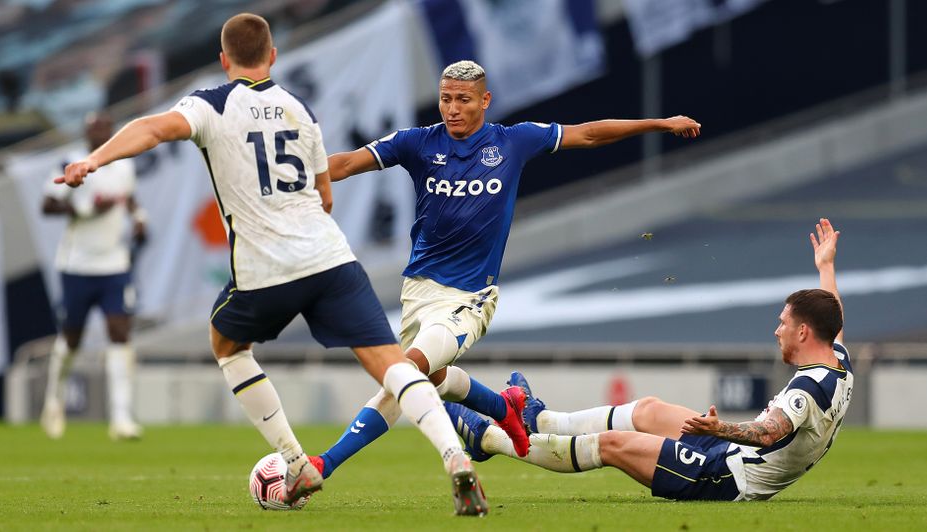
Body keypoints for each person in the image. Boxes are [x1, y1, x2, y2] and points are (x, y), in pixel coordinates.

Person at [55, 13, 487, 516]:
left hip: (267, 269)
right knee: (392, 366)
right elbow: (324, 196)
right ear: (273, 56)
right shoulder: (298, 108)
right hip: (331, 258)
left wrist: (95, 160)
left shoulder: (210, 104)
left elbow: (152, 129)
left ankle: (295, 460)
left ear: (223, 59)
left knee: (227, 343)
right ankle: (455, 457)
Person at [310, 59, 702, 479]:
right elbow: (347, 163)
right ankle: (505, 407)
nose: (452, 109)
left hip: (469, 297)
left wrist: (660, 123)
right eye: (445, 99)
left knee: (403, 375)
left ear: (485, 100)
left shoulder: (514, 141)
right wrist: (291, 180)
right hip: (418, 292)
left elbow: (587, 134)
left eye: (463, 99)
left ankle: (322, 465)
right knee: (435, 379)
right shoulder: (417, 143)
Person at [446, 218, 852, 501]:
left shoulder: (807, 389)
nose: (776, 330)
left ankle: (487, 439)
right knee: (649, 409)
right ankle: (540, 420)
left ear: (803, 332)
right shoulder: (838, 359)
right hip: (730, 455)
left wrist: (718, 427)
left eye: (782, 323)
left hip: (728, 478)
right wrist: (826, 267)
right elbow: (833, 319)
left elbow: (766, 433)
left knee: (612, 445)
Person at [40, 111, 146, 441]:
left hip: (114, 264)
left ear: (111, 130)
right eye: (94, 129)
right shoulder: (71, 163)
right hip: (77, 266)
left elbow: (128, 198)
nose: (99, 133)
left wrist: (140, 217)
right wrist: (85, 210)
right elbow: (47, 205)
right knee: (72, 338)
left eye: (104, 127)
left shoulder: (124, 165)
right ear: (86, 134)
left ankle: (121, 417)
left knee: (120, 332)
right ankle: (53, 403)